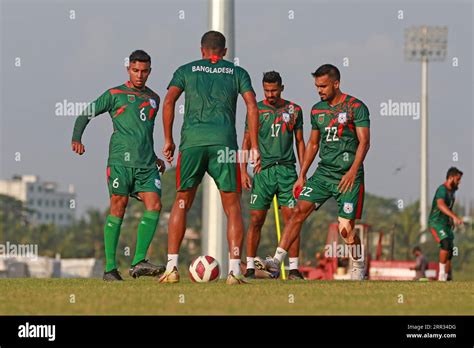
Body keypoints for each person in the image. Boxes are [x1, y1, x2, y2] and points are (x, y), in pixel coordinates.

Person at [159, 31, 260, 285]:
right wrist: (255, 146)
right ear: (225, 52)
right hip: (224, 144)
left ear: (202, 50)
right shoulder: (237, 72)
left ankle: (171, 268)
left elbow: (169, 101)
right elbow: (252, 106)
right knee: (233, 206)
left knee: (182, 201)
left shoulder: (186, 70)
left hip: (192, 143)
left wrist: (168, 139)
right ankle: (235, 271)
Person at [261, 64, 371, 280]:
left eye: (323, 86)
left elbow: (364, 142)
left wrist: (352, 172)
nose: (319, 90)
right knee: (297, 211)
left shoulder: (356, 107)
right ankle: (276, 262)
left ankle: (358, 264)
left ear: (336, 84)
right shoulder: (316, 110)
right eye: (317, 86)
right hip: (323, 174)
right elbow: (312, 144)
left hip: (348, 176)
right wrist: (302, 175)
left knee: (345, 229)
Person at [71, 50, 166, 281]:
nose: (140, 75)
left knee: (154, 205)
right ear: (128, 70)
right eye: (135, 70)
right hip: (119, 164)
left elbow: (144, 133)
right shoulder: (115, 94)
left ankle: (138, 261)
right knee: (118, 207)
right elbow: (86, 114)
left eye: (144, 71)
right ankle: (110, 269)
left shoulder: (154, 98)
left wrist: (154, 157)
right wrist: (77, 138)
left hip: (145, 165)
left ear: (150, 71)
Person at [241, 71, 305, 280]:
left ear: (282, 88)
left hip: (287, 172)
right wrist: (242, 171)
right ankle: (250, 265)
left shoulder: (294, 110)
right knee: (256, 218)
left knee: (293, 218)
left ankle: (294, 268)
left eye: (274, 90)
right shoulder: (255, 110)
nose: (270, 94)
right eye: (267, 90)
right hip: (263, 172)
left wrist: (302, 173)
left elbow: (300, 142)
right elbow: (246, 141)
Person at [428, 167, 464, 281]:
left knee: (450, 251)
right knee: (445, 244)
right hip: (436, 223)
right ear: (451, 178)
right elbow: (440, 205)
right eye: (458, 179)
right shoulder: (442, 190)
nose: (459, 182)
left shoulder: (452, 192)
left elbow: (449, 207)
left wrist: (451, 220)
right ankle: (441, 276)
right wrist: (454, 216)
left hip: (446, 224)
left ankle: (447, 278)